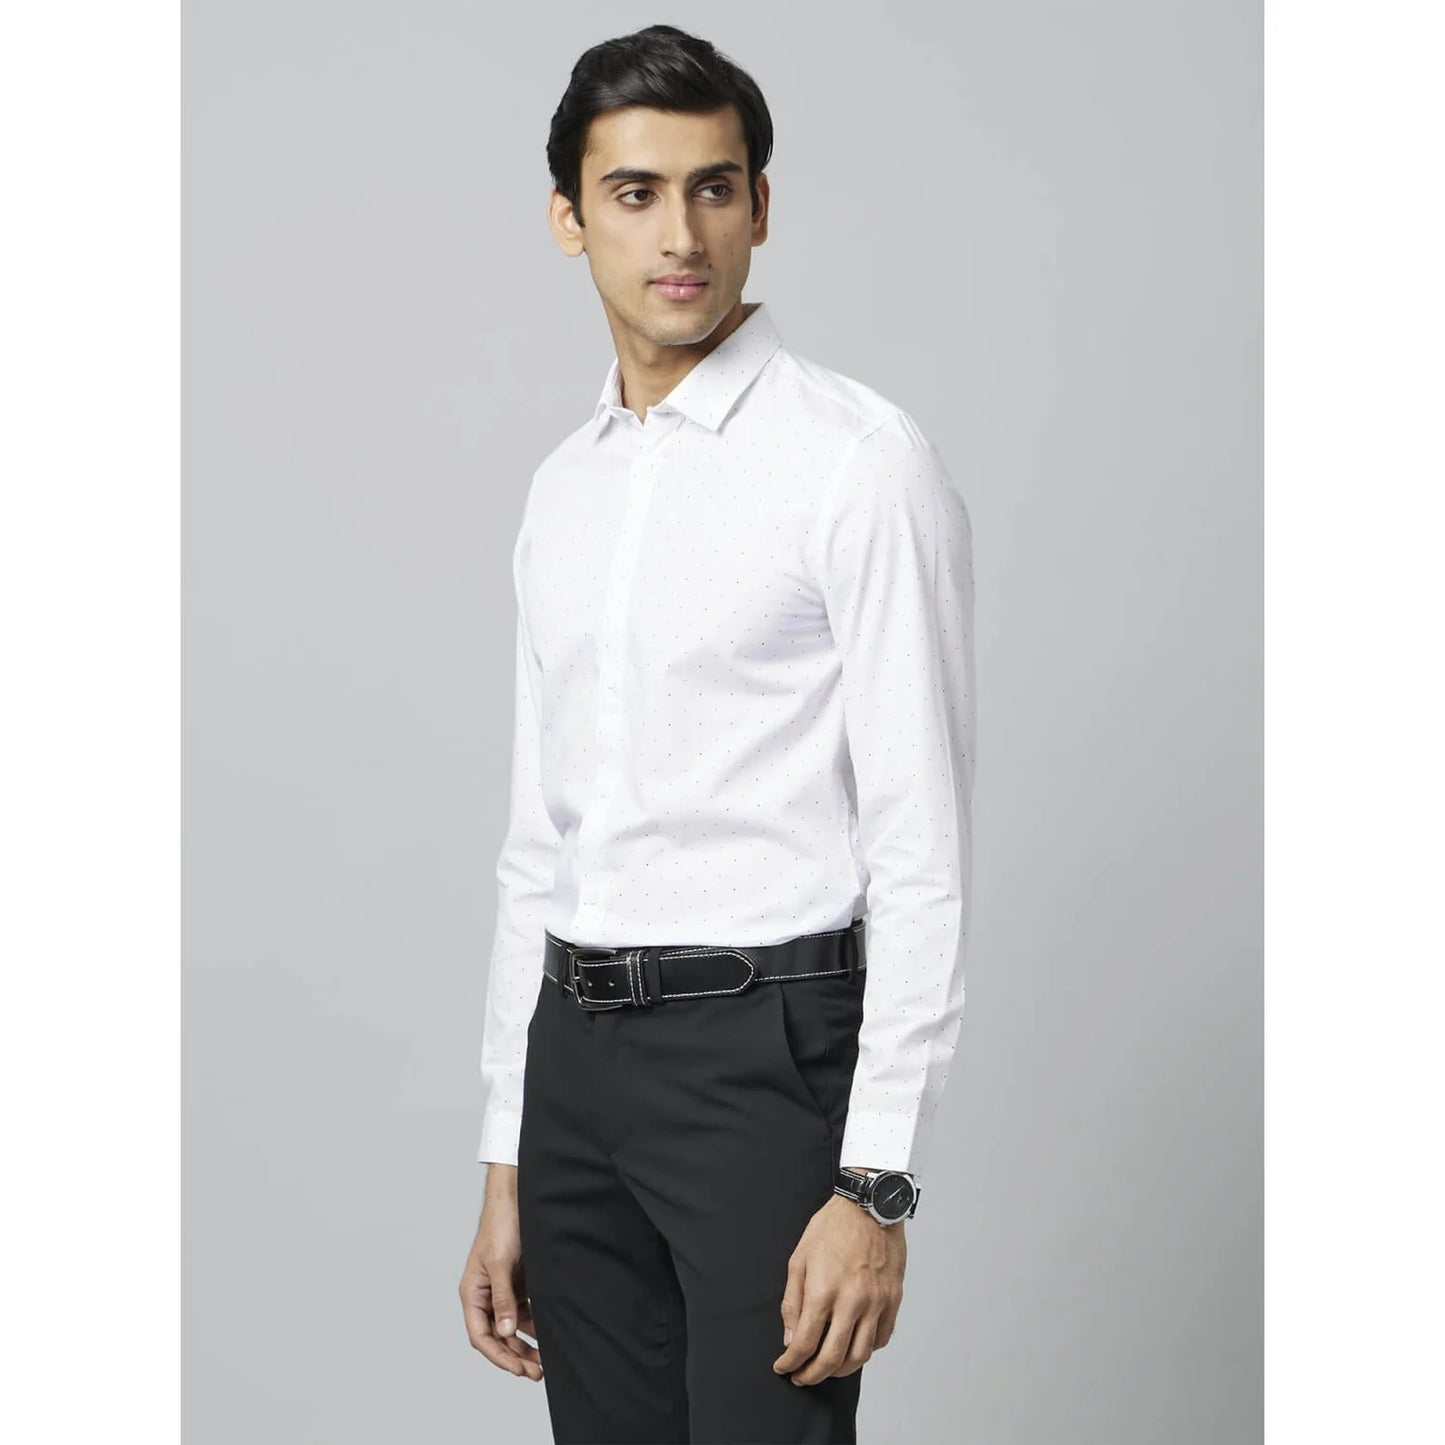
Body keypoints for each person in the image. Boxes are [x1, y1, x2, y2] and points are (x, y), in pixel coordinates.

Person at [458, 23, 976, 1444]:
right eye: (633, 193)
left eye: (714, 187)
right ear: (569, 219)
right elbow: (537, 843)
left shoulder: (858, 464)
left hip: (764, 1055)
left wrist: (876, 1184)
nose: (679, 234)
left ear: (760, 205)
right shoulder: (561, 491)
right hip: (573, 1063)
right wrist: (508, 1154)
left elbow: (921, 846)